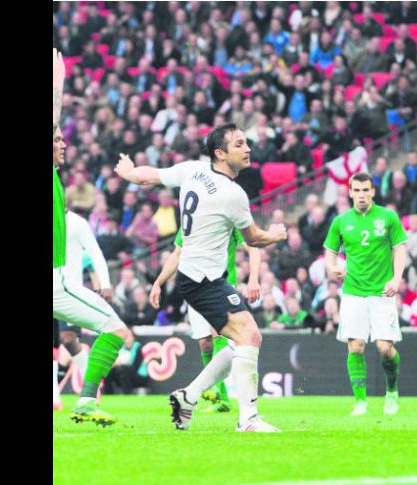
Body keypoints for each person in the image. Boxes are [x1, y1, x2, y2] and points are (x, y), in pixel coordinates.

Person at [114, 122, 288, 433]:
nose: (247, 148)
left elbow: (148, 176)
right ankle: (248, 420)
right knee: (249, 336)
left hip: (195, 277)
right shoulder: (233, 194)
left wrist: (127, 172)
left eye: (246, 142)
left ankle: (189, 397)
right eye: (238, 144)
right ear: (220, 154)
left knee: (244, 339)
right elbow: (255, 239)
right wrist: (275, 234)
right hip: (203, 279)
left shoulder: (192, 169)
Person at [53, 49, 134, 426]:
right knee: (117, 330)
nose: (64, 143)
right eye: (57, 139)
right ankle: (85, 401)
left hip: (64, 282)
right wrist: (58, 88)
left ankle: (85, 400)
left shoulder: (66, 198)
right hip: (59, 284)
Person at [151, 225, 261, 413]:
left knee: (216, 333)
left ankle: (220, 395)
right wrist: (158, 282)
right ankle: (220, 397)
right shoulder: (190, 221)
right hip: (196, 288)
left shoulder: (227, 219)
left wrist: (253, 279)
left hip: (222, 285)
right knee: (205, 344)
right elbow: (177, 254)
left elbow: (253, 247)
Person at [323, 172, 408, 416]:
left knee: (384, 348)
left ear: (372, 192)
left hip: (382, 291)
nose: (361, 195)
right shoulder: (341, 221)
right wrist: (332, 267)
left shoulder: (388, 217)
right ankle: (360, 402)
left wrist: (396, 278)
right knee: (356, 346)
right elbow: (330, 252)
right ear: (350, 192)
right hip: (353, 292)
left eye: (365, 190)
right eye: (356, 190)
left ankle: (391, 391)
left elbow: (399, 249)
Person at [54, 210, 115, 410]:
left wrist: (104, 283)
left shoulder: (76, 223)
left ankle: (92, 384)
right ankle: (55, 398)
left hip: (69, 292)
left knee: (68, 340)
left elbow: (94, 253)